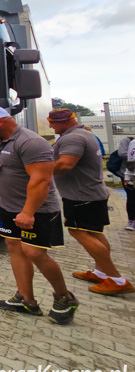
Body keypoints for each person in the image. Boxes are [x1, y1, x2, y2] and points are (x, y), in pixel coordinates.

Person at [0, 106, 79, 324]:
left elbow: (41, 180)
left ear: (1, 121)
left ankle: (64, 298)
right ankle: (26, 300)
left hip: (36, 210)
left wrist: (28, 212)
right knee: (15, 249)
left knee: (34, 253)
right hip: (8, 207)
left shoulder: (31, 142)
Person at [47, 109, 133, 295]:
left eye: (52, 122)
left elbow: (64, 165)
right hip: (91, 193)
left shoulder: (73, 138)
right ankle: (101, 273)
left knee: (78, 231)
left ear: (64, 122)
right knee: (94, 233)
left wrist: (38, 170)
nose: (50, 126)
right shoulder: (84, 134)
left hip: (81, 196)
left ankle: (117, 280)